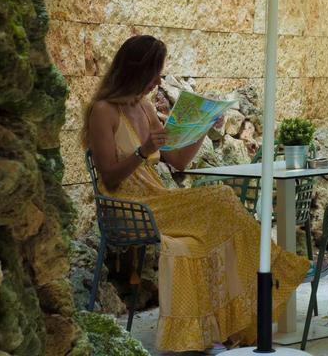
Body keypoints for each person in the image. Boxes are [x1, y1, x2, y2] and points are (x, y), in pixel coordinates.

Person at [82, 35, 309, 354]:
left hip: (158, 198)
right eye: (155, 73)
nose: (158, 81)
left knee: (205, 237)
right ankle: (272, 266)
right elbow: (109, 175)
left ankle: (207, 332)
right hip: (129, 206)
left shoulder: (145, 107)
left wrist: (203, 127)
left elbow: (176, 160)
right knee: (219, 197)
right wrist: (142, 150)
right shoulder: (103, 111)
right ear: (136, 70)